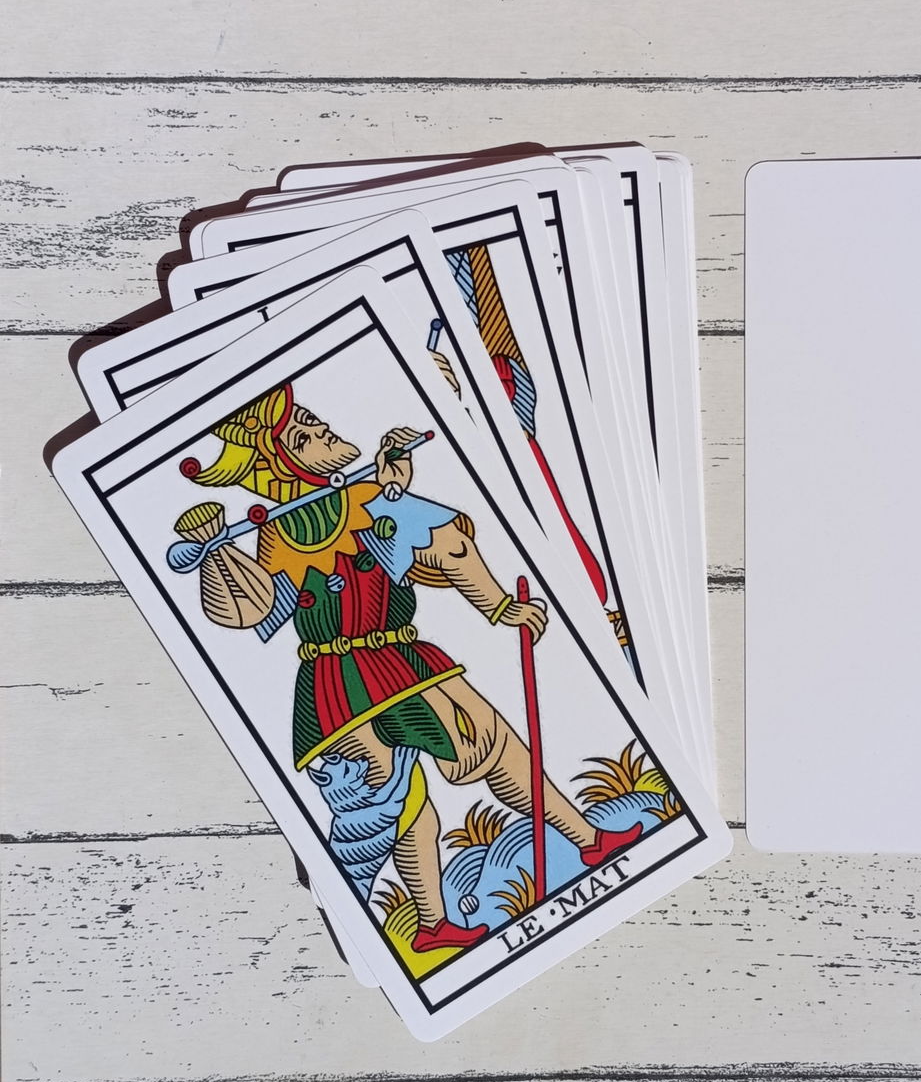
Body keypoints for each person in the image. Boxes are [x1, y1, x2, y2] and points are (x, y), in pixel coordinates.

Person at [176, 383, 640, 953]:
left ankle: (578, 843)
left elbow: (442, 549)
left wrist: (494, 601)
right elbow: (247, 612)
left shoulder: (367, 496)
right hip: (343, 685)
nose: (322, 431)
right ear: (281, 463)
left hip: (400, 660)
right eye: (304, 434)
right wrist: (217, 555)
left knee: (482, 759)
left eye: (314, 421)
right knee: (414, 799)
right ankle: (437, 920)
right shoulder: (282, 532)